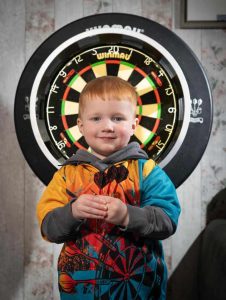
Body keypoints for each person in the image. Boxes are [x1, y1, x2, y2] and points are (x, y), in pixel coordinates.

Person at [37, 76, 180, 300]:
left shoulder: (147, 171)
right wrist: (72, 211)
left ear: (134, 124)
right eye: (96, 118)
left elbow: (167, 220)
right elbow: (48, 227)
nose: (107, 126)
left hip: (140, 291)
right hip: (79, 293)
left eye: (118, 118)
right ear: (81, 126)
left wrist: (127, 215)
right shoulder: (67, 175)